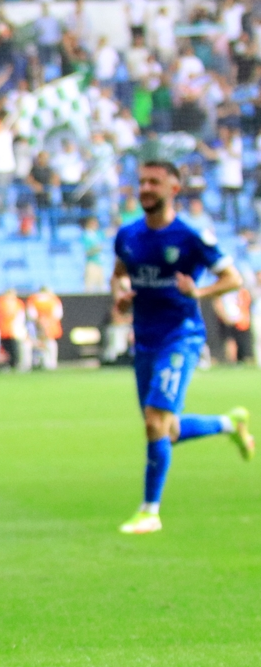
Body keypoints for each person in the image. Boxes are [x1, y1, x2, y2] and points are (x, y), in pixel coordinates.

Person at [109, 160, 252, 535]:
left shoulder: (190, 236)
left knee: (156, 422)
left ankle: (149, 511)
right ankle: (229, 423)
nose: (146, 188)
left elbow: (232, 278)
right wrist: (121, 297)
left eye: (154, 182)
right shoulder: (128, 235)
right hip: (146, 340)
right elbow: (119, 275)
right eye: (141, 181)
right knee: (164, 430)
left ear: (174, 188)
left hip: (181, 336)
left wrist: (199, 292)